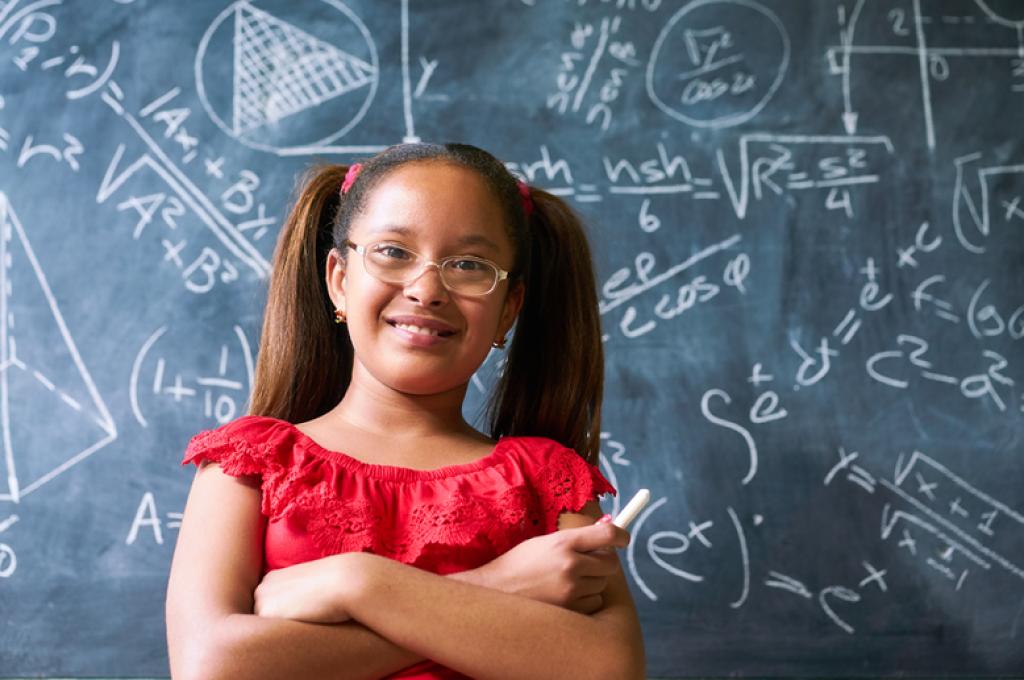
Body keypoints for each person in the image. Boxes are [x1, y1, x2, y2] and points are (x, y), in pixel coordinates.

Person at [165, 142, 645, 680]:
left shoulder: (546, 481)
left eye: (469, 265)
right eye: (393, 252)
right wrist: (496, 586)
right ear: (339, 280)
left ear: (508, 309)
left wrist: (354, 584)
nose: (426, 289)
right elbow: (211, 666)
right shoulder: (251, 465)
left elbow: (608, 666)